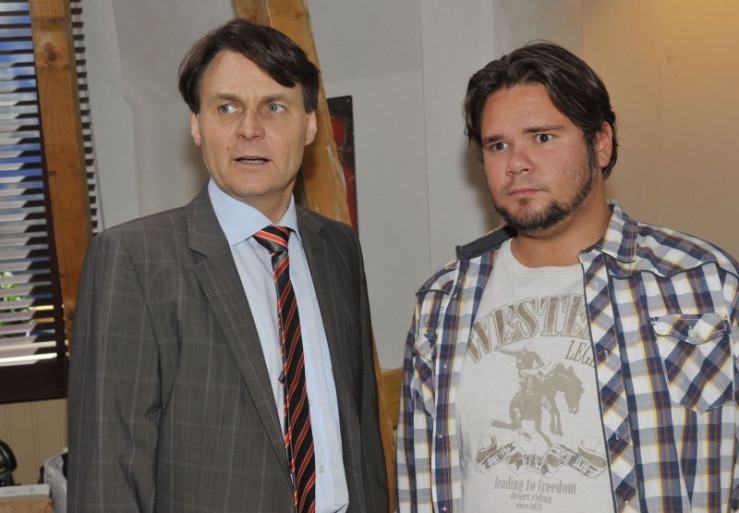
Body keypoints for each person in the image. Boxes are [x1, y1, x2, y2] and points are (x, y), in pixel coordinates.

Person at [396, 41, 738, 513]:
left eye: (542, 137)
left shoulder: (702, 284)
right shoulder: (441, 303)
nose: (516, 163)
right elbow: (419, 484)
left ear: (601, 143)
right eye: (498, 145)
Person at [67, 19, 388, 513]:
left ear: (309, 125)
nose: (249, 129)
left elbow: (362, 438)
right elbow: (107, 474)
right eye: (226, 107)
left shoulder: (338, 249)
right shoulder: (134, 260)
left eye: (274, 107)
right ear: (197, 125)